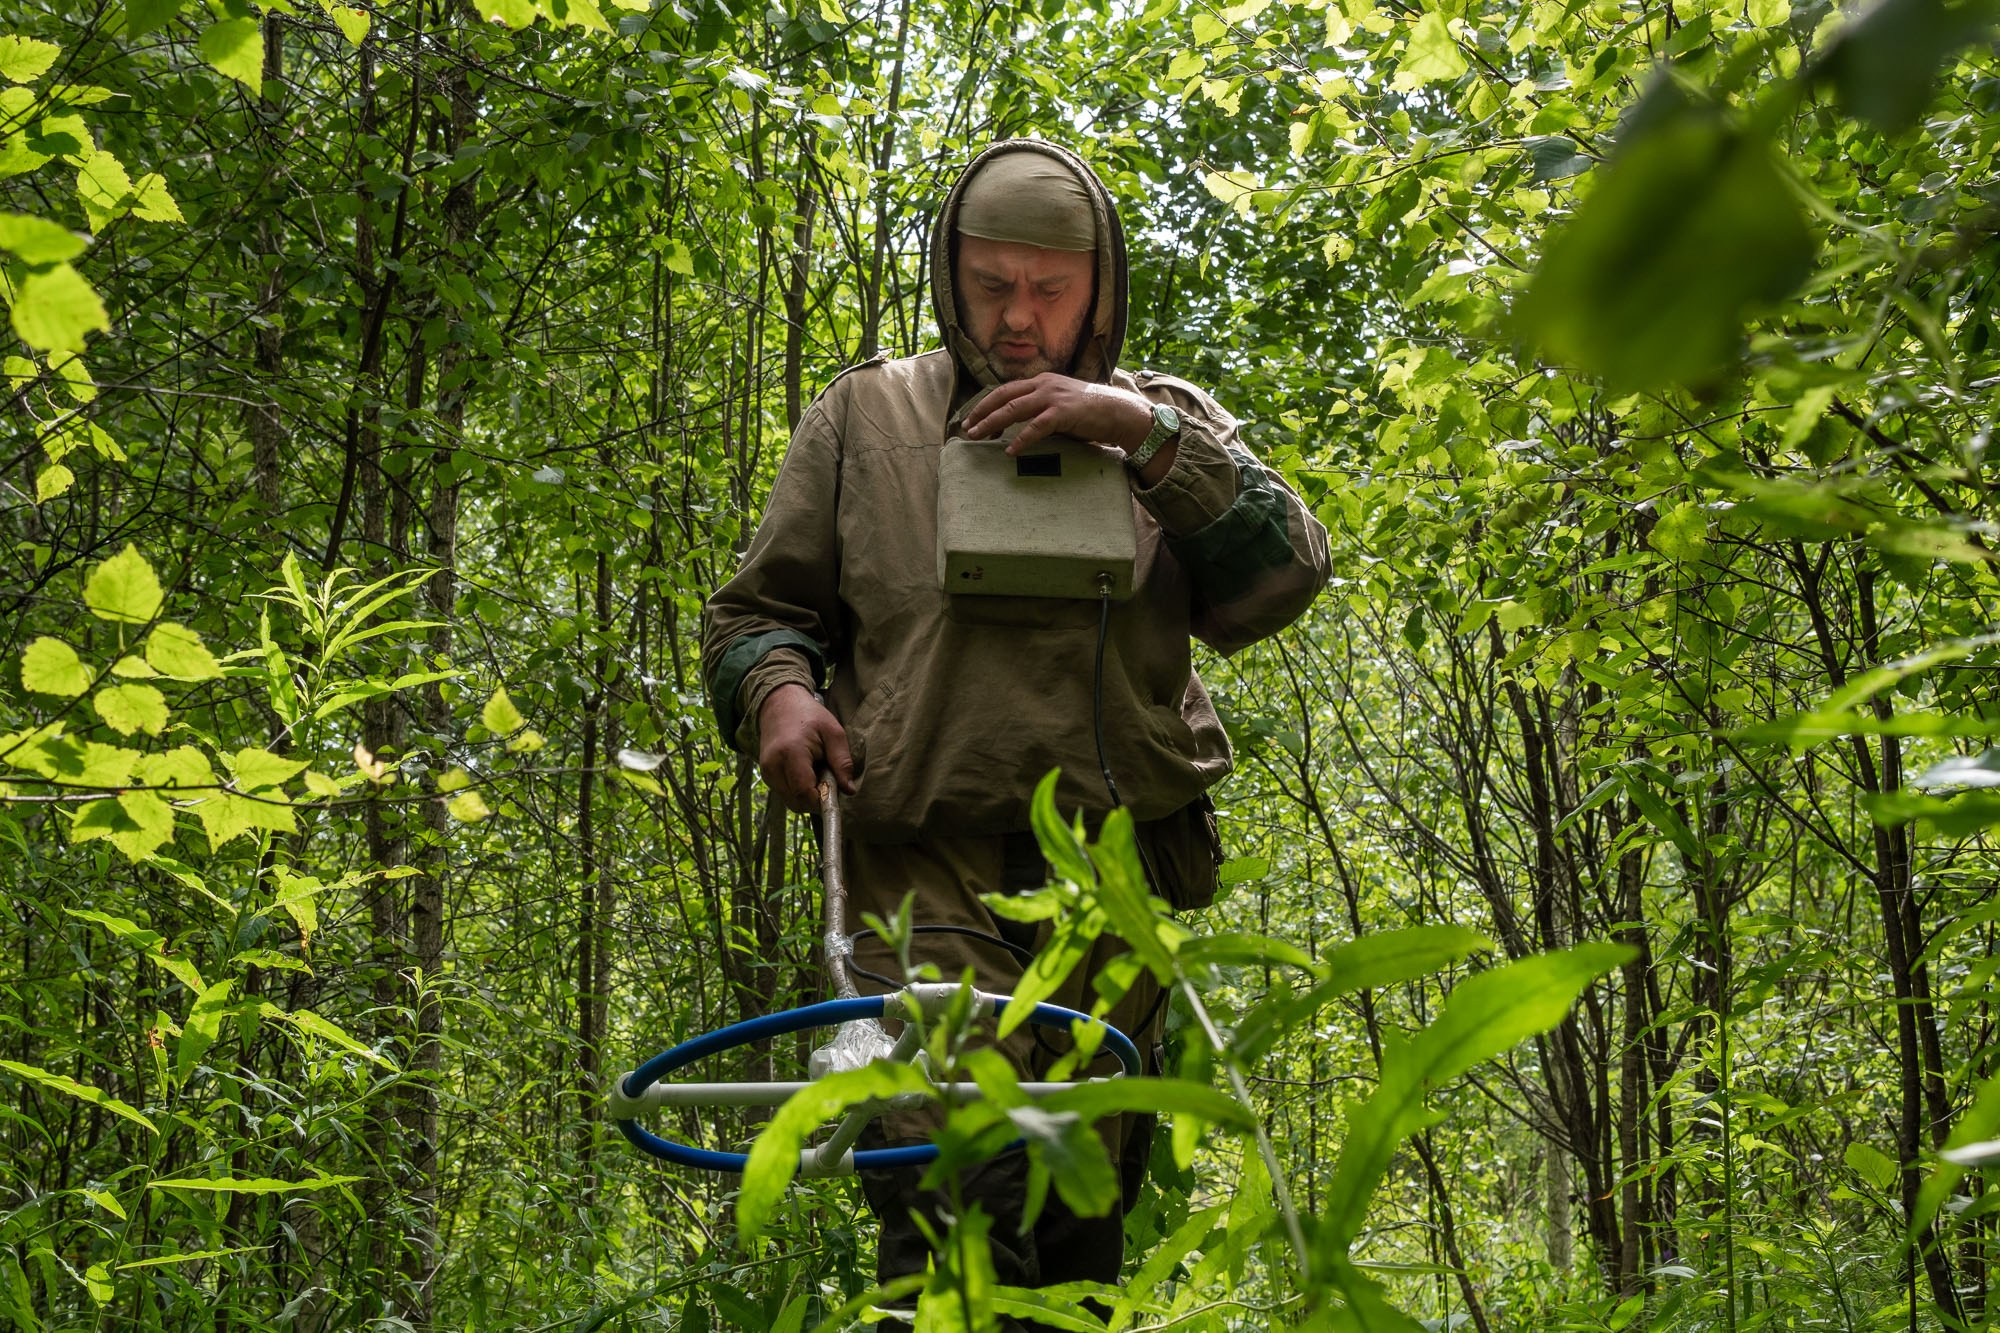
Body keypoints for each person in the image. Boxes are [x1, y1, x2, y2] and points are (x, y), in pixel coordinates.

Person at [700, 139, 1329, 1322]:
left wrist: (1141, 440)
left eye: (1049, 288)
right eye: (991, 285)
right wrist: (776, 689)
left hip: (1112, 896)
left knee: (1081, 1224)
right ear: (948, 275)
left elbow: (1280, 581)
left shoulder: (1166, 424)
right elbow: (756, 614)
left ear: (1101, 284)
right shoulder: (864, 417)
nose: (1020, 318)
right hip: (921, 877)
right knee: (956, 1199)